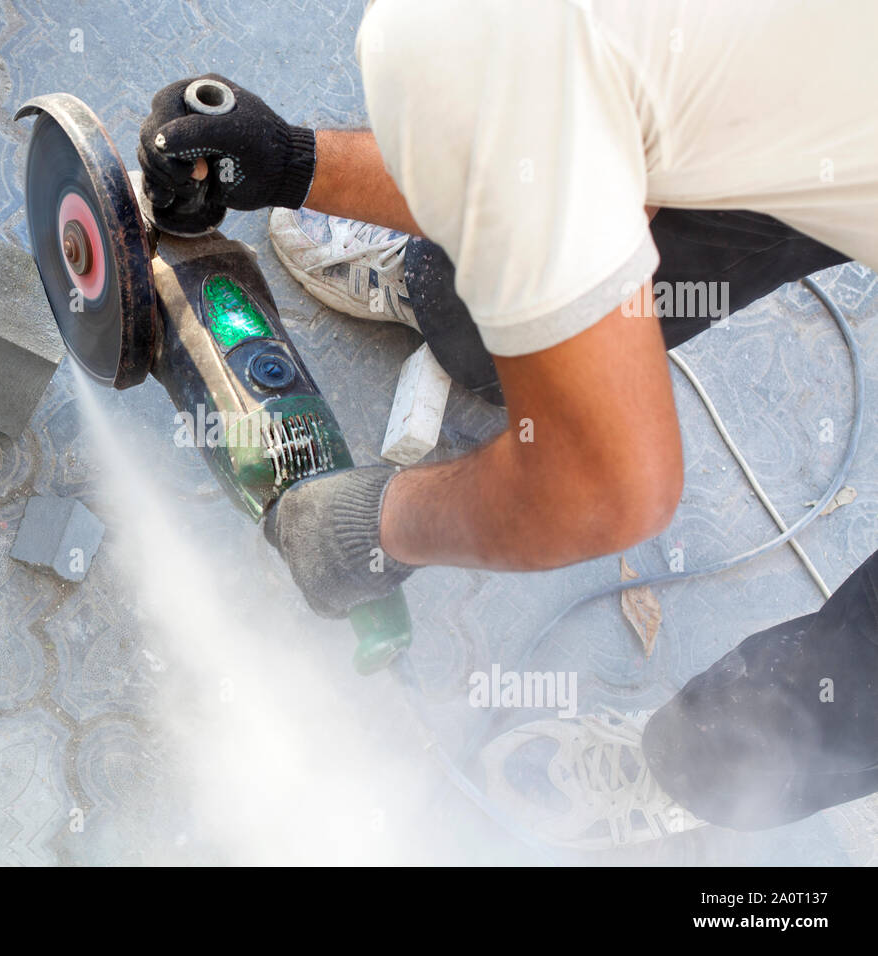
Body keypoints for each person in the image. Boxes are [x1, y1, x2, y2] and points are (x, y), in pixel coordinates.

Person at [135, 0, 878, 847]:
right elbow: (537, 162)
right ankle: (473, 309)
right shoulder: (678, 55)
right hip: (806, 94)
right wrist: (293, 163)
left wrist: (371, 528)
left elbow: (610, 489)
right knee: (713, 189)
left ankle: (697, 768)